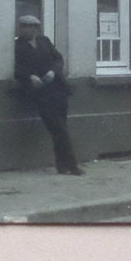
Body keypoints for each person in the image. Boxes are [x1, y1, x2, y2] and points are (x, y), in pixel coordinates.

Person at [14, 14, 82, 175]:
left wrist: (53, 72)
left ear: (36, 29)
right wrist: (30, 76)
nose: (27, 30)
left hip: (58, 89)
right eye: (24, 27)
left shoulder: (44, 41)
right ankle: (72, 166)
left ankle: (62, 166)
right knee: (58, 129)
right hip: (40, 93)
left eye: (30, 27)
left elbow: (58, 59)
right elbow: (16, 68)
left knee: (61, 128)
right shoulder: (17, 46)